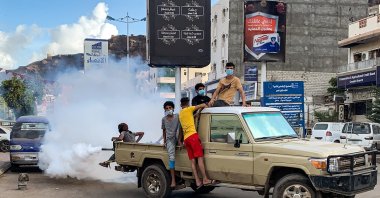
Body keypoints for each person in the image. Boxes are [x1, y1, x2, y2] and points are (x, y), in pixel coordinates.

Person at [178, 97, 217, 189]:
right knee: (200, 158)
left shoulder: (181, 114)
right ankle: (205, 179)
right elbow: (203, 105)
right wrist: (206, 104)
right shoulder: (189, 109)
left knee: (192, 161)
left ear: (181, 105)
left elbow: (190, 119)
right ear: (188, 104)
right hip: (193, 137)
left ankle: (197, 181)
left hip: (186, 139)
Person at [161, 101, 184, 190]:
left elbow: (181, 128)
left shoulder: (177, 116)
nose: (168, 109)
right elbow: (164, 131)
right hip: (169, 140)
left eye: (170, 108)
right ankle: (173, 180)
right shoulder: (163, 119)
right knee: (172, 158)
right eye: (166, 108)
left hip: (178, 137)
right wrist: (164, 141)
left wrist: (179, 140)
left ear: (173, 108)